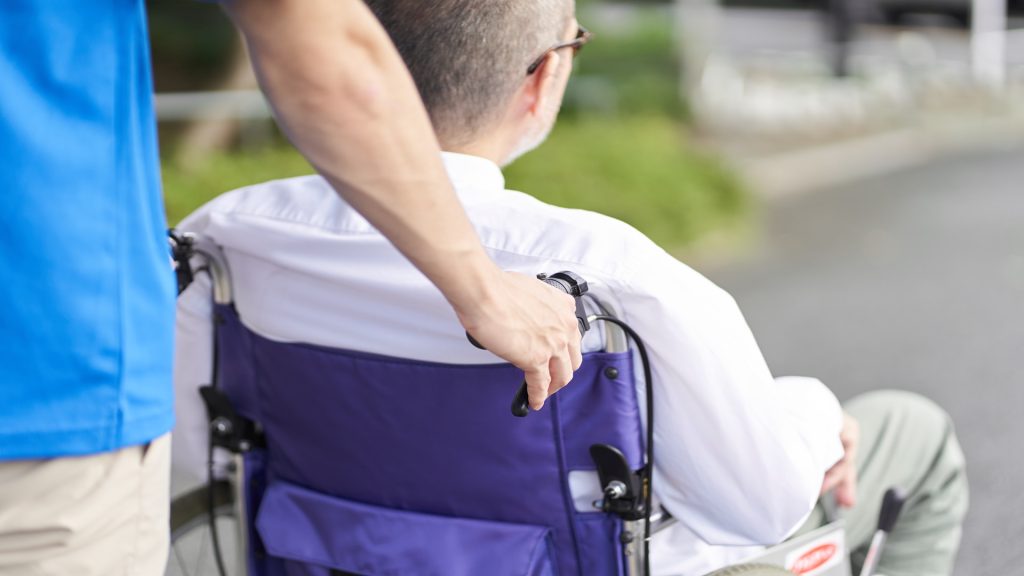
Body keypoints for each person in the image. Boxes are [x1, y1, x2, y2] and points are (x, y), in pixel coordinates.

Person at [172, 1, 967, 574]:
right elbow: (758, 507)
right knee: (913, 432)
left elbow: (197, 449)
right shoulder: (609, 268)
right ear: (544, 77)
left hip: (321, 554)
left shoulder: (230, 236)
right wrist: (818, 415)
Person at [0, 1, 580, 575]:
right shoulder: (597, 263)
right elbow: (299, 21)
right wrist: (482, 292)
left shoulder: (222, 230)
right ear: (544, 74)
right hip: (50, 380)